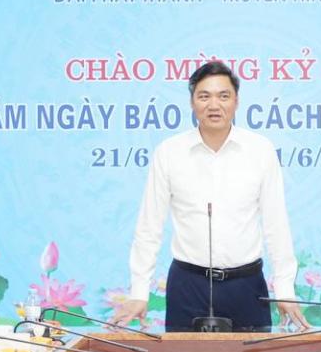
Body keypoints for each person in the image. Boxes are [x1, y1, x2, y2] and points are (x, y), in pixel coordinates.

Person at [119, 60, 304, 333]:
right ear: (192, 103)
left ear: (236, 102)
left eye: (223, 96)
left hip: (246, 285)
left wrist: (285, 288)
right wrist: (139, 292)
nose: (214, 105)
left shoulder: (260, 150)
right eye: (204, 96)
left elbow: (276, 226)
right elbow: (149, 228)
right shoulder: (169, 152)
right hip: (188, 284)